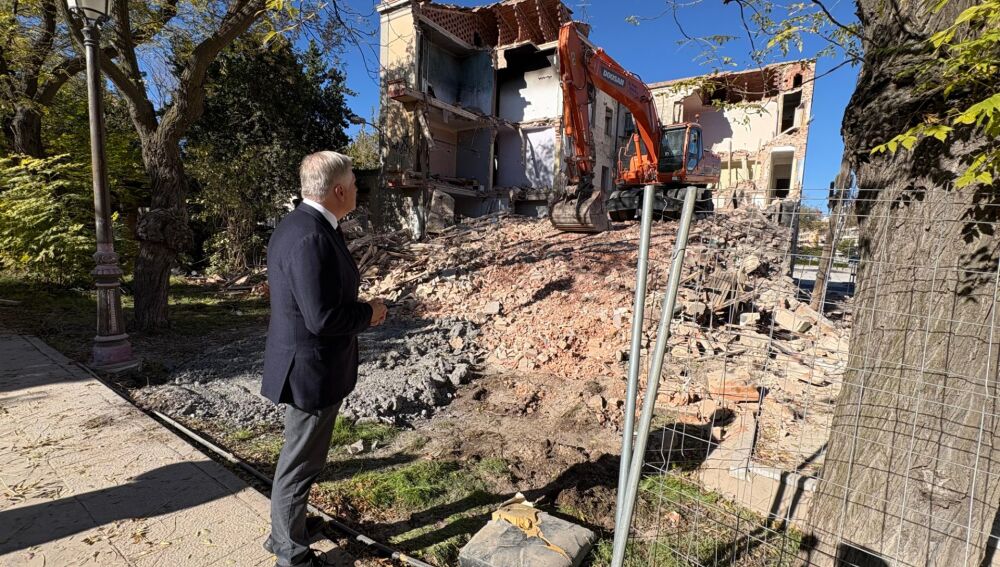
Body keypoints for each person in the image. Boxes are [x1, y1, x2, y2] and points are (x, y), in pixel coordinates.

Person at [261, 151, 387, 567]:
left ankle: (286, 531)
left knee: (299, 460)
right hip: (311, 372)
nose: (356, 190)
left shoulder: (299, 225)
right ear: (337, 191)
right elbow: (323, 317)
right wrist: (370, 311)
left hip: (304, 364)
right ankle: (291, 554)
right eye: (353, 184)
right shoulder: (313, 235)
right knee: (300, 465)